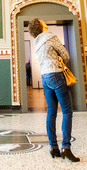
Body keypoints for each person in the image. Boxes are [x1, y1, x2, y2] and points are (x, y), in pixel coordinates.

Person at [29, 18, 80, 162]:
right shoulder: (50, 36)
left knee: (51, 112)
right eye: (42, 20)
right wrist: (58, 57)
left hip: (44, 76)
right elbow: (66, 55)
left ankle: (53, 148)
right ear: (40, 25)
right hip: (56, 75)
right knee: (67, 111)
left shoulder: (36, 41)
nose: (44, 21)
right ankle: (66, 148)